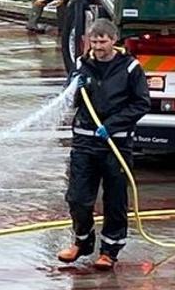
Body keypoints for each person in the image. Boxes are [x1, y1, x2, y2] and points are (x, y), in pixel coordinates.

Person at [57, 18, 150, 270]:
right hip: (85, 142)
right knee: (77, 197)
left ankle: (109, 250)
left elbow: (141, 103)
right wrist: (75, 86)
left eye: (103, 41)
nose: (97, 46)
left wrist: (114, 125)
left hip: (115, 144)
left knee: (115, 200)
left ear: (114, 40)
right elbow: (70, 99)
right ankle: (82, 241)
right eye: (94, 40)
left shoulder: (130, 68)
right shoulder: (82, 65)